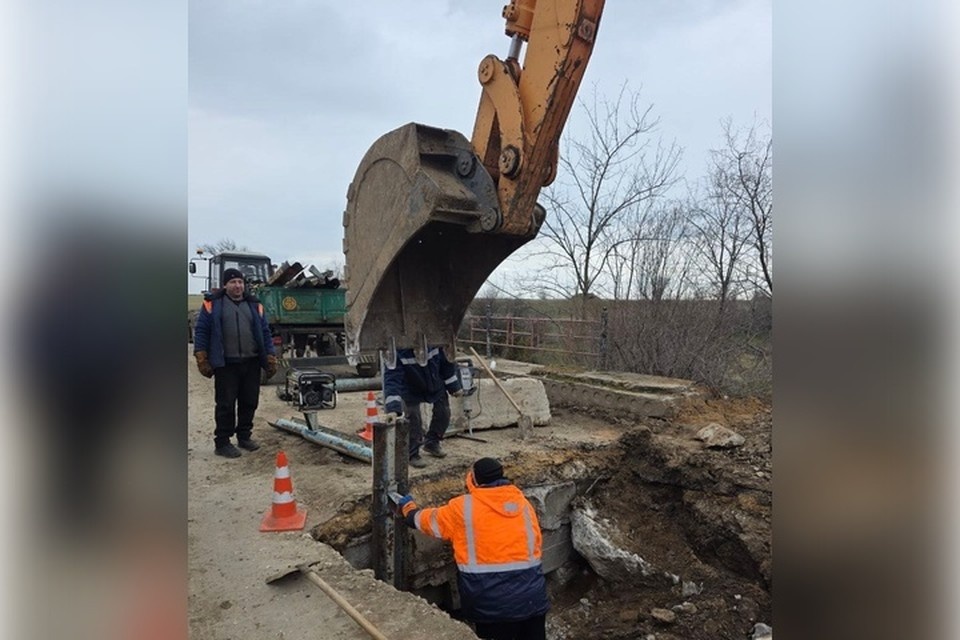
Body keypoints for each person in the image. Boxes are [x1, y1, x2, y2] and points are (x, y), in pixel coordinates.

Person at [396, 457, 549, 639]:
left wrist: (409, 510)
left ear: (474, 479)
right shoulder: (523, 505)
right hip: (532, 600)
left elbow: (427, 521)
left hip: (492, 607)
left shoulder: (463, 507)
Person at [193, 267, 278, 458]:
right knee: (225, 404)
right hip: (226, 364)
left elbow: (265, 332)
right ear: (225, 285)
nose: (237, 285)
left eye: (240, 282)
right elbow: (202, 331)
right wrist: (201, 355)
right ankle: (222, 442)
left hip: (251, 362)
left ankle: (244, 436)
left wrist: (270, 356)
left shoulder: (255, 305)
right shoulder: (212, 304)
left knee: (249, 402)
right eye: (233, 282)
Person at [383, 346, 463, 468]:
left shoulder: (434, 343)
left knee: (443, 413)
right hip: (410, 388)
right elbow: (392, 379)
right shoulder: (398, 351)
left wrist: (454, 387)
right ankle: (412, 453)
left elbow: (446, 365)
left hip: (435, 384)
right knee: (413, 420)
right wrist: (393, 409)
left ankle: (432, 442)